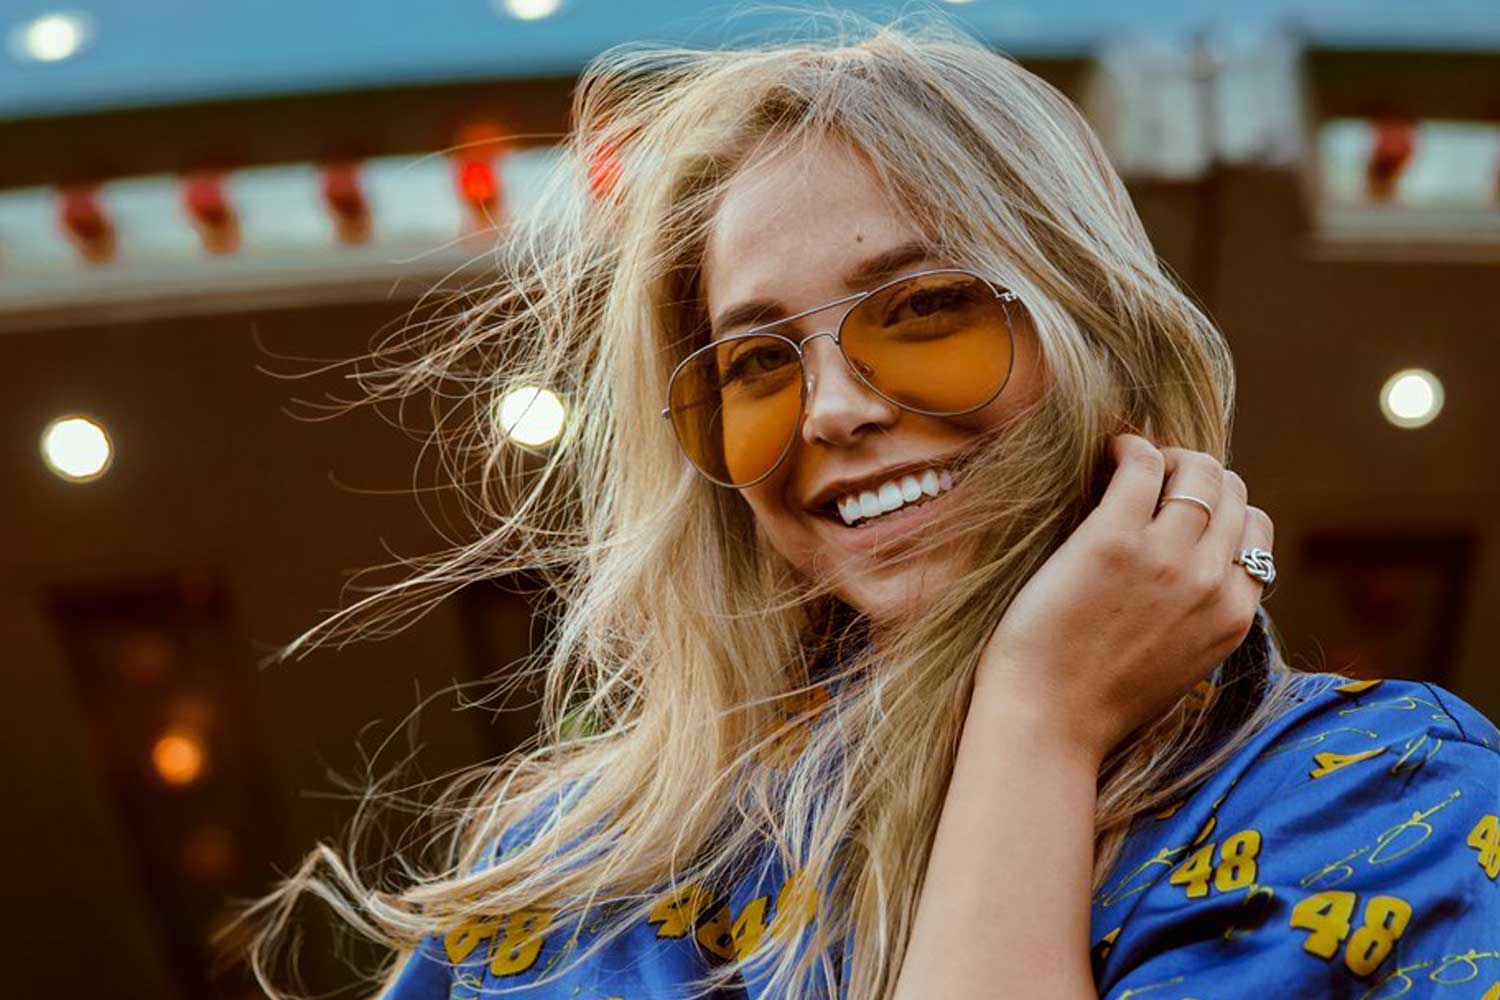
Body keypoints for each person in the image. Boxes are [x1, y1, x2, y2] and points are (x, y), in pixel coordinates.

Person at [236, 11, 1500, 1000]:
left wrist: (1040, 719)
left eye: (925, 310)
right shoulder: (573, 875)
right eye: (754, 362)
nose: (832, 409)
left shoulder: (1390, 801)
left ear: (1105, 329)